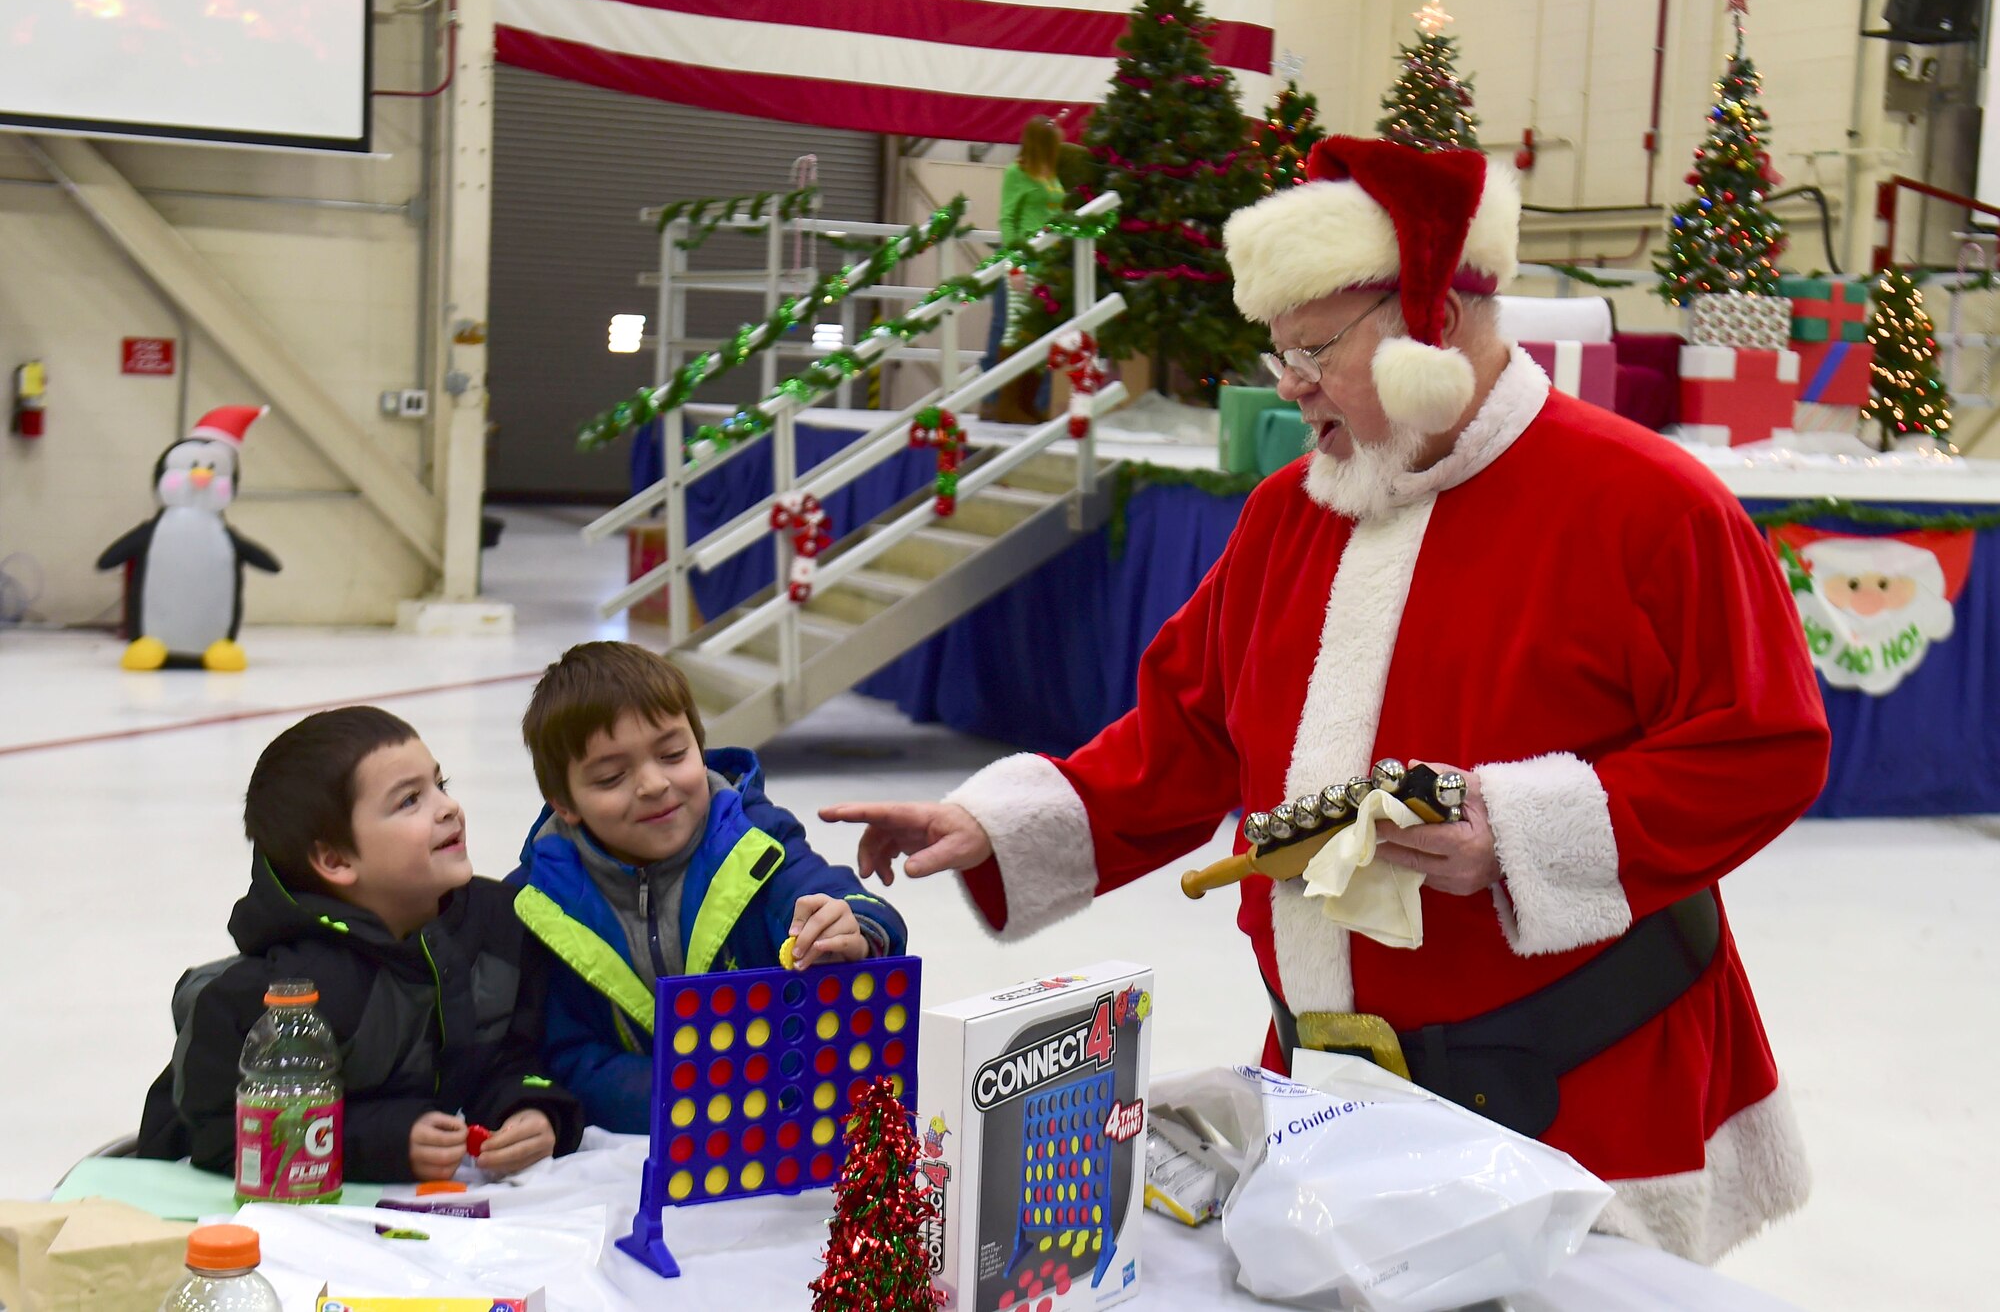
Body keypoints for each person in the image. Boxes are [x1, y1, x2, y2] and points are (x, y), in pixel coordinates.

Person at [821, 136, 1831, 1264]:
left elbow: (1762, 746)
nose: (1286, 383)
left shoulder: (1651, 507)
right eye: (1279, 351)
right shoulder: (1287, 516)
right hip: (1335, 1074)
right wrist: (994, 822)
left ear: (1434, 323)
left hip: (1583, 1078)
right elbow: (1186, 729)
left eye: (1313, 349)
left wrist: (1512, 833)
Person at [136, 707, 585, 1182]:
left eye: (441, 784)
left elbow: (512, 1056)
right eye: (410, 800)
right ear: (335, 859)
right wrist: (381, 1143)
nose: (448, 807)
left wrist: (533, 1110)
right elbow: (219, 1137)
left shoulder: (502, 925)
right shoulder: (279, 991)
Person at [511, 641, 908, 1133]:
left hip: (779, 1128)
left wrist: (853, 924)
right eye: (612, 776)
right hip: (629, 1149)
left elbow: (835, 895)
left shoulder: (756, 839)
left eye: (673, 754)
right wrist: (690, 1093)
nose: (653, 784)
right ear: (565, 804)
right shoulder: (537, 904)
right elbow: (563, 1054)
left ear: (700, 749)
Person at [985, 115, 1066, 424]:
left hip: (1050, 261)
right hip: (1026, 259)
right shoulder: (1017, 172)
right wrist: (1015, 257)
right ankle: (1007, 403)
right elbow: (1007, 218)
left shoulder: (1051, 174)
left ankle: (1027, 402)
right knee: (1015, 328)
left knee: (1039, 331)